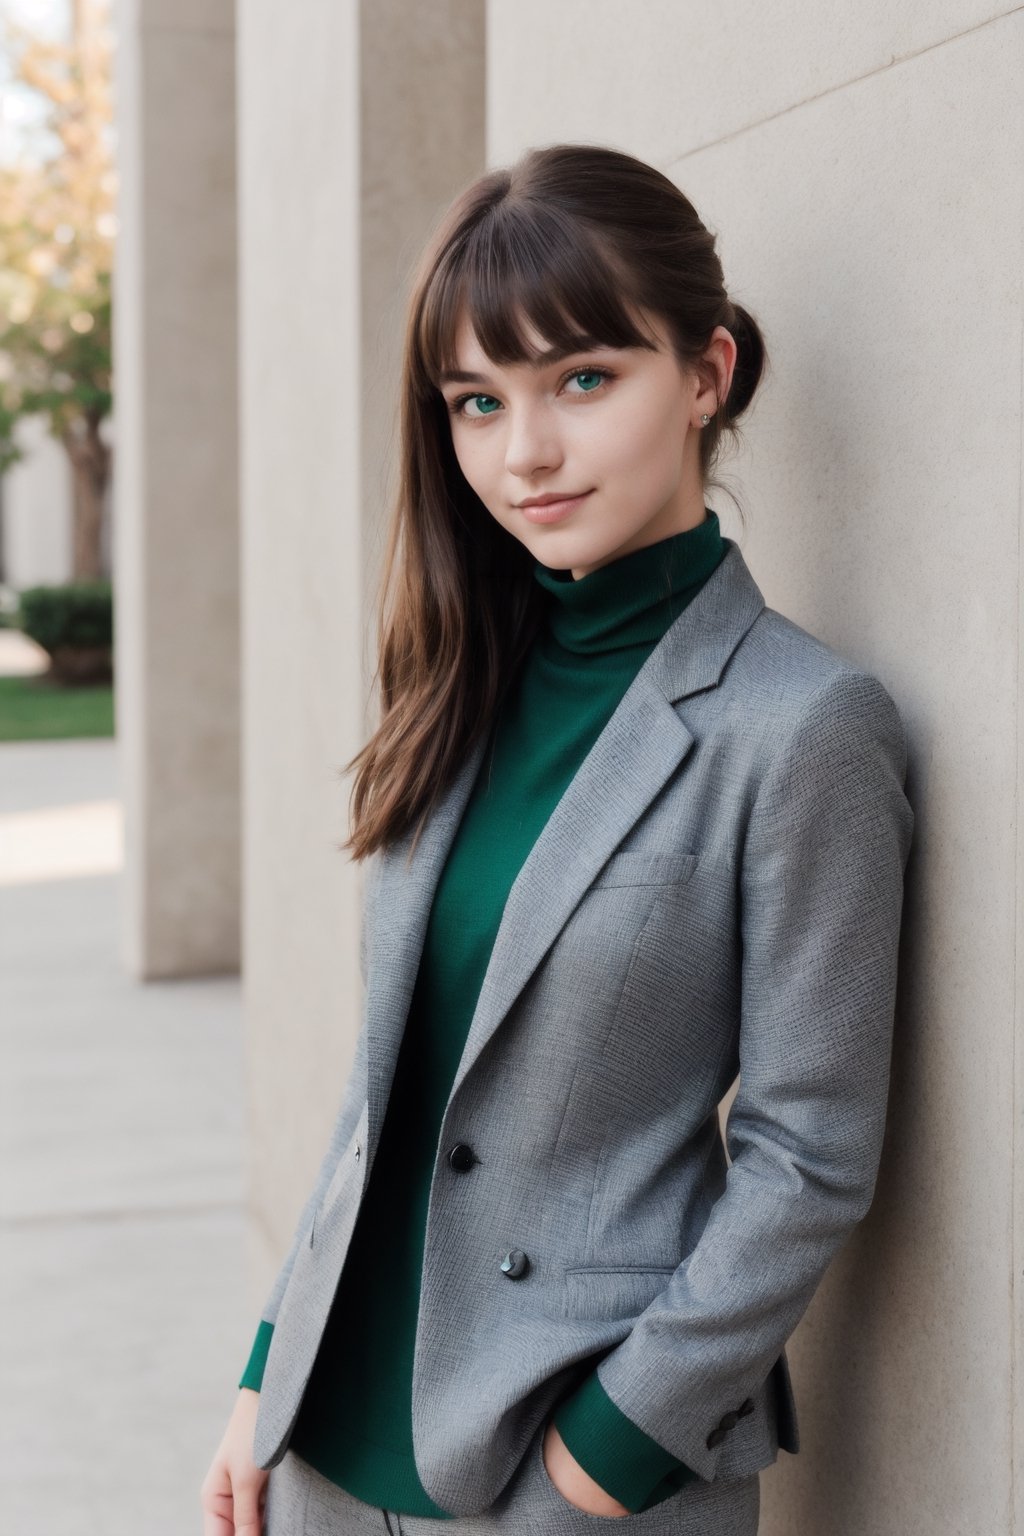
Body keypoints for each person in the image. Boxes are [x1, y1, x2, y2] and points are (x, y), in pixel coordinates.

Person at [201, 142, 914, 1535]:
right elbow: (386, 1093)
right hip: (326, 1457)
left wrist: (605, 1460)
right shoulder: (458, 688)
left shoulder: (803, 726)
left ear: (706, 373)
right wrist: (263, 1375)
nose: (523, 451)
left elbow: (811, 1152)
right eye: (478, 401)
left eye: (583, 380)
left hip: (563, 1467)